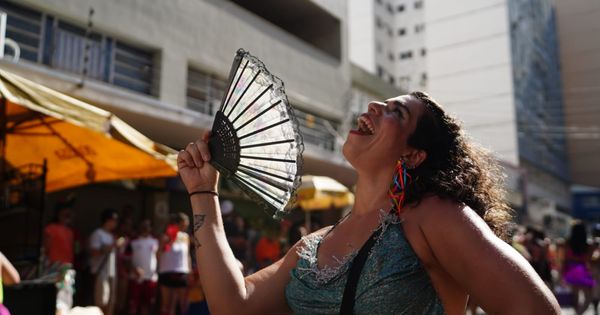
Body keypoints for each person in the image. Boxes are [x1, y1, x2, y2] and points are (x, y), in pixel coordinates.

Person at [177, 92, 560, 314]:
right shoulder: (315, 244)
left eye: (397, 112)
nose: (375, 105)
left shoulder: (434, 217)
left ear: (413, 155)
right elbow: (234, 305)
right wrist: (202, 192)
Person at [89, 208, 121, 315]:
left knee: (111, 301)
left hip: (111, 273)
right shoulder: (97, 234)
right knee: (101, 301)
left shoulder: (112, 236)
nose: (116, 223)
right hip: (101, 272)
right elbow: (93, 252)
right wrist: (111, 246)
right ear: (108, 220)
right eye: (114, 220)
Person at [158, 213, 191, 315]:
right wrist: (167, 241)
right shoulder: (165, 235)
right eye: (183, 224)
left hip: (182, 271)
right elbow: (159, 252)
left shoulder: (186, 236)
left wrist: (189, 271)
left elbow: (187, 254)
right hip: (166, 271)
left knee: (183, 304)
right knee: (166, 305)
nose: (185, 226)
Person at [563, 220, 595, 314]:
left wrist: (562, 272)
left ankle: (577, 312)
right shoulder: (588, 244)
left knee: (575, 296)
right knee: (588, 297)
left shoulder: (567, 243)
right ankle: (579, 313)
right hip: (582, 269)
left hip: (571, 269)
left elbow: (565, 258)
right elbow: (588, 259)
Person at [128, 220, 159, 315]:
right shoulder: (132, 241)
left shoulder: (156, 241)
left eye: (147, 226)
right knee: (133, 304)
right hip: (135, 278)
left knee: (147, 305)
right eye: (143, 226)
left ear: (151, 228)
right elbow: (125, 258)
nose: (145, 228)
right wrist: (134, 268)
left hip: (150, 278)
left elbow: (159, 257)